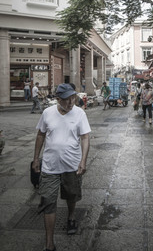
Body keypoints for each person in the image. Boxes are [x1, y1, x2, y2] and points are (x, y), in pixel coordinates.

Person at [32, 83, 91, 251]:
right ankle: (49, 243)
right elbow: (41, 134)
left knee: (71, 196)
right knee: (48, 201)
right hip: (50, 166)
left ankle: (71, 216)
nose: (71, 102)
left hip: (72, 165)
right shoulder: (47, 113)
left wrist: (83, 160)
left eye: (73, 97)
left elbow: (85, 138)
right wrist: (36, 158)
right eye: (66, 99)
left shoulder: (80, 113)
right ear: (58, 99)